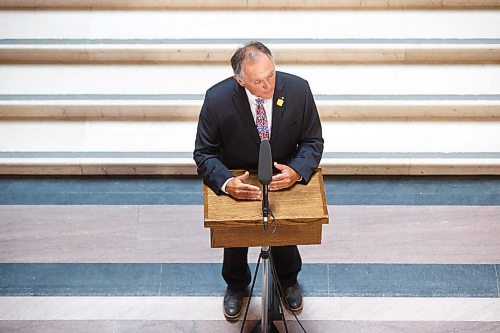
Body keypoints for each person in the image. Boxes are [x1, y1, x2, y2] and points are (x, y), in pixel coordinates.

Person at [193, 41, 323, 320]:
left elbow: (313, 141)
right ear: (239, 80)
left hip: (282, 175)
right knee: (235, 239)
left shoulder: (299, 90)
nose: (268, 86)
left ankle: (288, 279)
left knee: (286, 233)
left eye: (271, 75)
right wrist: (228, 183)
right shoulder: (216, 99)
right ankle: (236, 285)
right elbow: (204, 153)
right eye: (258, 81)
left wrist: (297, 171)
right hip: (239, 176)